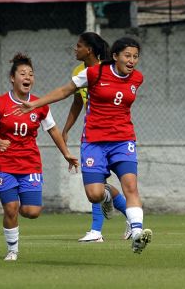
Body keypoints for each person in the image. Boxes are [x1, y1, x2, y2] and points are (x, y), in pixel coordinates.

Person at [13, 37, 152, 254]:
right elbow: (65, 92)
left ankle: (137, 233)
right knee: (94, 194)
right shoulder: (93, 73)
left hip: (123, 140)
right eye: (127, 55)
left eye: (135, 56)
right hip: (94, 142)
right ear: (115, 57)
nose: (132, 60)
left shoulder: (137, 78)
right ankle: (107, 195)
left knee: (131, 185)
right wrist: (34, 104)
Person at [0, 53, 79, 261]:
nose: (27, 77)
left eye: (31, 74)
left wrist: (66, 154)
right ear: (13, 78)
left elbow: (53, 131)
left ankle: (17, 210)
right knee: (11, 209)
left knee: (32, 211)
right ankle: (12, 250)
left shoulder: (40, 104)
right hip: (4, 164)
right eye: (23, 73)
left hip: (30, 164)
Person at [62, 32, 131, 243]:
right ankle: (130, 217)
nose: (75, 49)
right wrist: (65, 129)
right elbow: (76, 103)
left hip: (112, 135)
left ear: (89, 49)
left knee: (97, 182)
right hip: (92, 134)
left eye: (79, 45)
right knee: (98, 186)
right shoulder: (78, 71)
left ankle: (96, 231)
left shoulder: (108, 69)